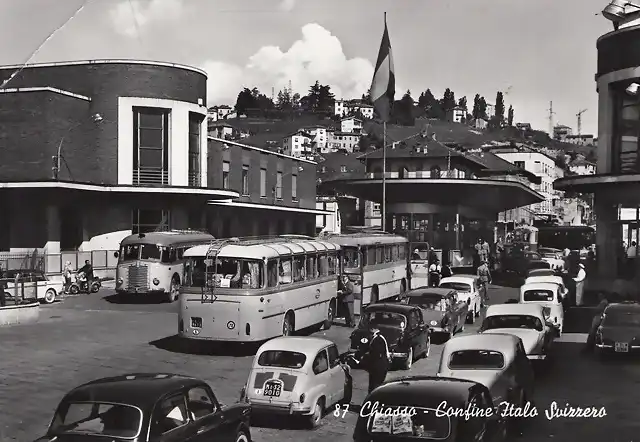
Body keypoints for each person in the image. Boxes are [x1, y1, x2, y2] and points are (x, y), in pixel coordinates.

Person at [362, 328, 390, 393]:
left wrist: (366, 356)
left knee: (375, 386)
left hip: (379, 367)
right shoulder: (376, 338)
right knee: (373, 385)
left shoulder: (378, 339)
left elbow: (377, 354)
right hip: (376, 366)